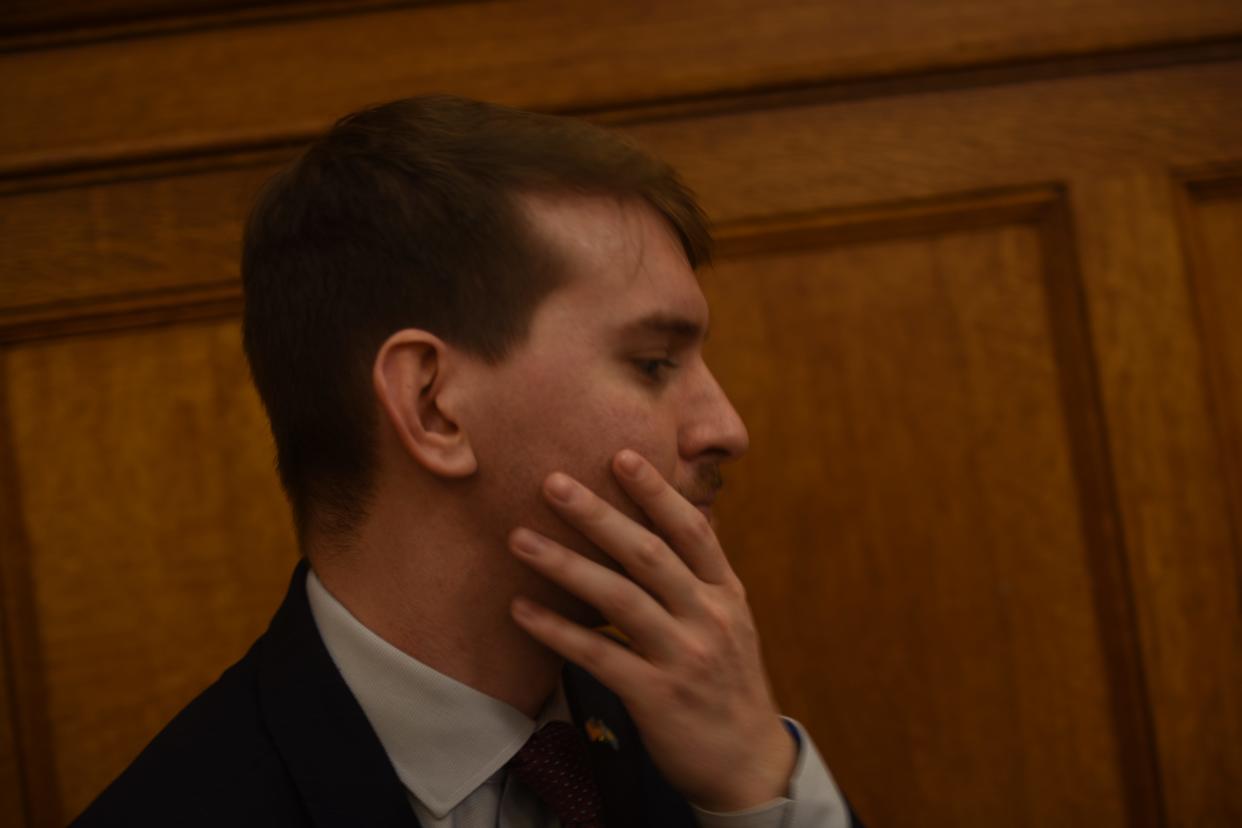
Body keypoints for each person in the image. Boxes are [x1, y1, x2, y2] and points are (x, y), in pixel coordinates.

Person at [73, 95, 861, 827]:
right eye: (655, 362)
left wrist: (759, 791)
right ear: (432, 405)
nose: (727, 427)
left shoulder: (711, 759)